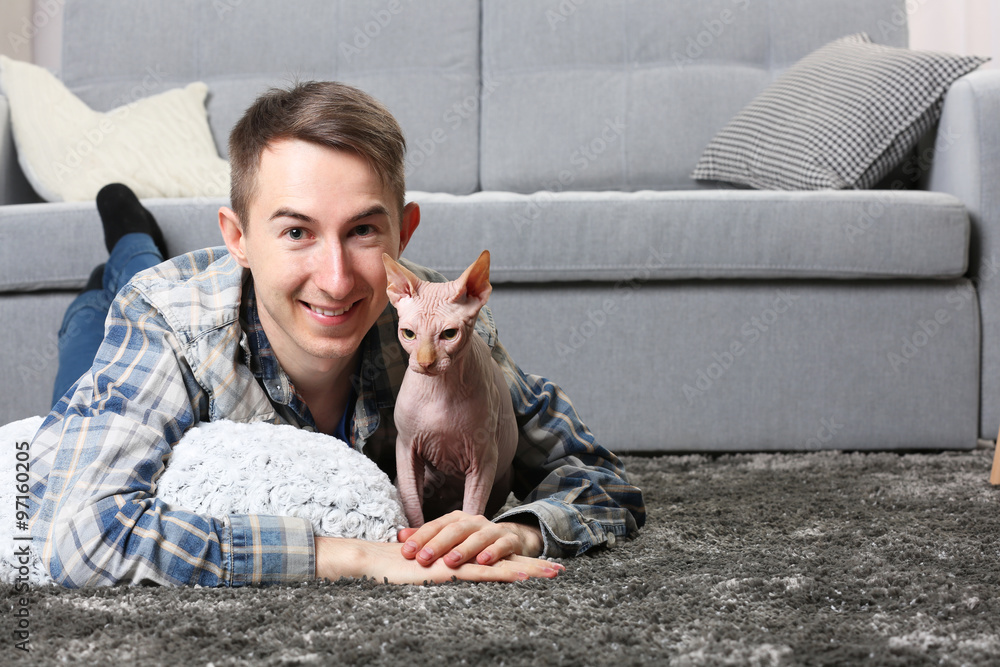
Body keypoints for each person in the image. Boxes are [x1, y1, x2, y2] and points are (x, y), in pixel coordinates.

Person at [28, 81, 645, 587]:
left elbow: (600, 478)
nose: (337, 277)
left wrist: (519, 529)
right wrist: (348, 555)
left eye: (363, 232)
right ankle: (127, 237)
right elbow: (75, 537)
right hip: (142, 304)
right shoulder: (164, 317)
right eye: (296, 231)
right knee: (112, 301)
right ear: (238, 237)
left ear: (403, 232)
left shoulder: (434, 318)